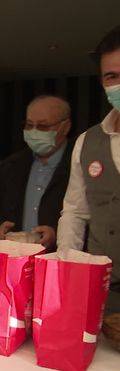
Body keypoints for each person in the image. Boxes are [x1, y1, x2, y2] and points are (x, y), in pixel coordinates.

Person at [58, 25, 120, 312]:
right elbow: (74, 212)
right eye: (112, 77)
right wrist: (66, 272)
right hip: (101, 291)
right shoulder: (87, 141)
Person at [0, 95, 73, 250]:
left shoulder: (80, 165)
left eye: (43, 126)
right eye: (29, 125)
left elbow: (94, 219)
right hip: (14, 258)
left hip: (60, 261)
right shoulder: (11, 166)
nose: (34, 132)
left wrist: (58, 234)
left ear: (65, 127)